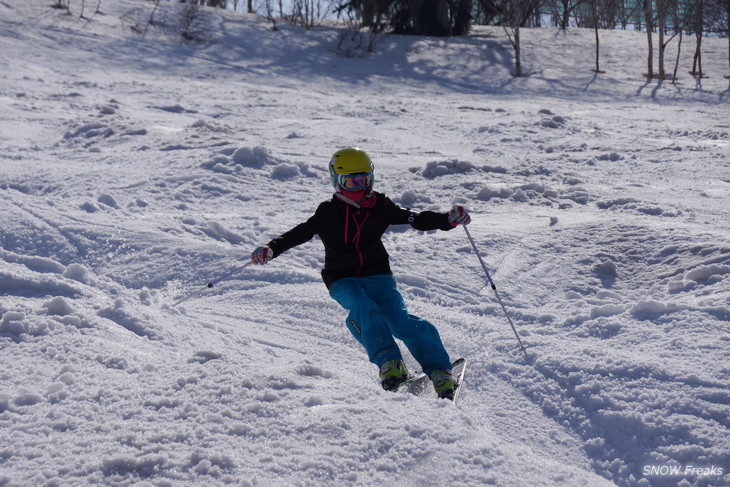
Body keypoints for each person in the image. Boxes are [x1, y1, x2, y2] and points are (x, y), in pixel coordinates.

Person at [251, 147, 471, 399]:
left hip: (377, 274)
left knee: (398, 319)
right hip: (341, 277)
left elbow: (416, 218)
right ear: (336, 181)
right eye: (350, 182)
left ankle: (440, 371)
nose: (358, 187)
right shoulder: (327, 212)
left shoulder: (381, 206)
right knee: (362, 307)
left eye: (363, 180)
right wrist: (271, 248)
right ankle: (390, 365)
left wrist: (448, 220)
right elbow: (299, 233)